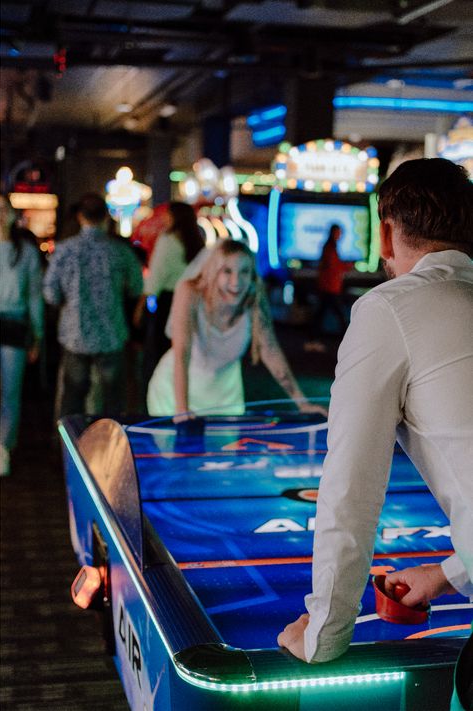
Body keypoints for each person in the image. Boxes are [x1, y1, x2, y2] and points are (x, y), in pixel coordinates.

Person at [277, 158, 473, 668]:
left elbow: (350, 487)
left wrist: (322, 633)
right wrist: (449, 574)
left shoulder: (389, 307)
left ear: (386, 236)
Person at [147, 238, 326, 418]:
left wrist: (303, 404)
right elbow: (182, 350)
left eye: (244, 272)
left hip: (226, 399)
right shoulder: (190, 292)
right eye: (227, 271)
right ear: (213, 272)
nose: (236, 281)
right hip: (175, 394)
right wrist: (182, 409)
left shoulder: (254, 298)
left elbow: (270, 351)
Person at [43, 192, 143, 418]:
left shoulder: (66, 250)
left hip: (75, 333)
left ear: (80, 217)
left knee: (73, 399)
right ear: (106, 217)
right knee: (113, 402)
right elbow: (136, 287)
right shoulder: (119, 251)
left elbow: (50, 292)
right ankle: (109, 448)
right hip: (111, 333)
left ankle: (70, 447)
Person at [133, 201, 205, 388]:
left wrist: (141, 305)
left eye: (167, 214)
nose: (164, 217)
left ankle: (165, 390)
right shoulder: (197, 239)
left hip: (169, 301)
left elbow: (156, 277)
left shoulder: (168, 239)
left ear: (175, 217)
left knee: (164, 348)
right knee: (185, 346)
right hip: (192, 299)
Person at [0, 194, 44, 476]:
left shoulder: (26, 251)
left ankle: (4, 447)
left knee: (10, 391)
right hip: (12, 322)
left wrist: (37, 335)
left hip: (14, 324)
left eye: (3, 209)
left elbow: (34, 296)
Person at [305, 223, 353, 352]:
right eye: (338, 232)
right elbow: (333, 266)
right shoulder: (330, 247)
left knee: (322, 314)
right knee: (338, 315)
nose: (340, 235)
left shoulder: (330, 246)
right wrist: (347, 266)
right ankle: (350, 342)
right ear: (333, 233)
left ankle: (312, 340)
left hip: (329, 287)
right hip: (329, 287)